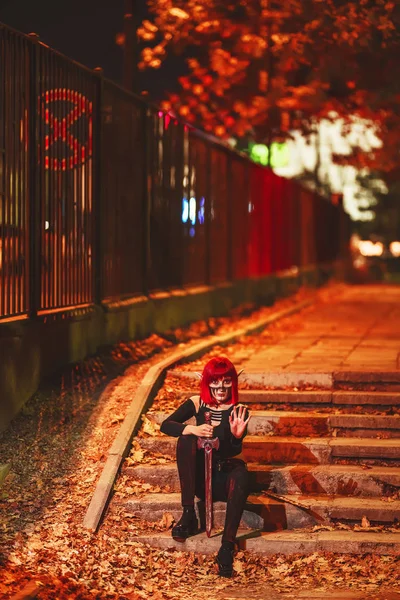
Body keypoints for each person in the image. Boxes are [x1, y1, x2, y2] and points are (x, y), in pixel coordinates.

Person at [160, 356, 251, 577]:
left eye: (226, 382)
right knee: (185, 440)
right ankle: (189, 513)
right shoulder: (197, 403)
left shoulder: (239, 410)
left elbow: (232, 451)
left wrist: (236, 437)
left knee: (241, 474)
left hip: (222, 478)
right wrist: (193, 429)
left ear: (233, 382)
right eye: (215, 382)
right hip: (198, 478)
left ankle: (227, 546)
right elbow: (166, 425)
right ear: (206, 381)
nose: (221, 388)